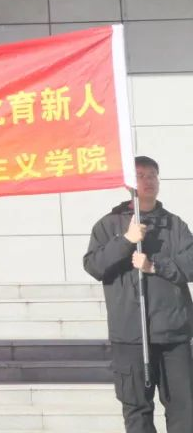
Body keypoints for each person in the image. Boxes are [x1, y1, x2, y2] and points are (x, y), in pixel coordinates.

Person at [84, 155, 193, 433]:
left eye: (152, 175)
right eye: (140, 176)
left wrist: (156, 266)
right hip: (130, 335)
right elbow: (94, 266)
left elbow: (191, 263)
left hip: (172, 335)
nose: (148, 181)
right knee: (137, 412)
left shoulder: (175, 225)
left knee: (184, 410)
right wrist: (126, 241)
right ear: (128, 184)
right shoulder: (108, 225)